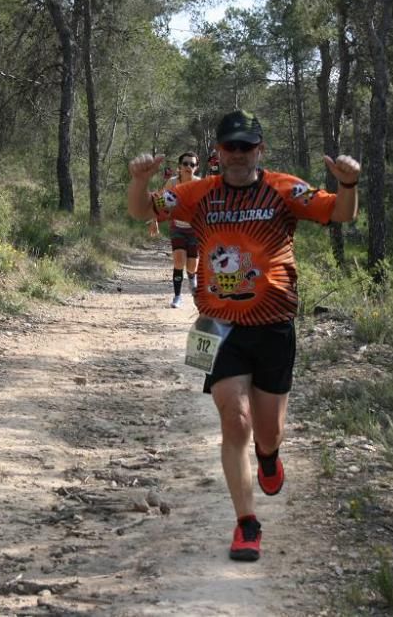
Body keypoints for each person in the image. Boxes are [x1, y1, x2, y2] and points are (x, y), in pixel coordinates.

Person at [127, 110, 360, 562]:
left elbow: (339, 213)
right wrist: (139, 180)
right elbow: (143, 210)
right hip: (218, 326)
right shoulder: (197, 193)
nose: (237, 155)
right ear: (217, 151)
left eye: (245, 146)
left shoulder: (283, 189)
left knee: (268, 432)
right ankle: (246, 524)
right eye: (229, 146)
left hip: (274, 326)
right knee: (235, 420)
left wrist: (348, 184)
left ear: (260, 150)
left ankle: (270, 458)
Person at [148, 152, 202, 308]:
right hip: (178, 227)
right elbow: (160, 201)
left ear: (196, 167)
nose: (188, 167)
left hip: (195, 230)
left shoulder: (200, 184)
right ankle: (178, 297)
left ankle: (192, 277)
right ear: (179, 166)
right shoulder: (172, 183)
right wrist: (154, 220)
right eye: (185, 164)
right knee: (179, 261)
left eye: (192, 164)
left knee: (192, 266)